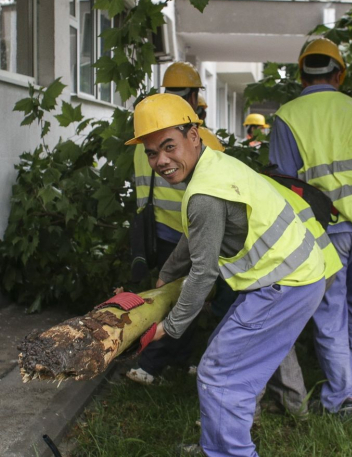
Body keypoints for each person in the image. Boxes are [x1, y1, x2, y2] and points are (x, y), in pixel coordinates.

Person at [129, 94, 328, 457]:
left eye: (168, 146)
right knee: (224, 370)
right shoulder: (214, 165)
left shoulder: (204, 193)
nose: (161, 160)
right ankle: (217, 448)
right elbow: (195, 238)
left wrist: (170, 328)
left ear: (194, 135)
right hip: (290, 278)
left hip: (285, 285)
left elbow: (203, 275)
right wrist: (165, 277)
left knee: (220, 375)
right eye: (152, 152)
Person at [269, 38, 352, 410]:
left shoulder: (288, 115)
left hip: (327, 229)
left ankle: (343, 396)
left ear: (301, 74)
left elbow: (285, 184)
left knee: (330, 313)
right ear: (339, 74)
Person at [128, 61, 224, 385]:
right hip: (190, 233)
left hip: (158, 233)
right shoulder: (203, 139)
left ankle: (177, 361)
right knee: (184, 300)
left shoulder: (146, 138)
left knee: (169, 298)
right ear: (194, 95)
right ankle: (150, 364)